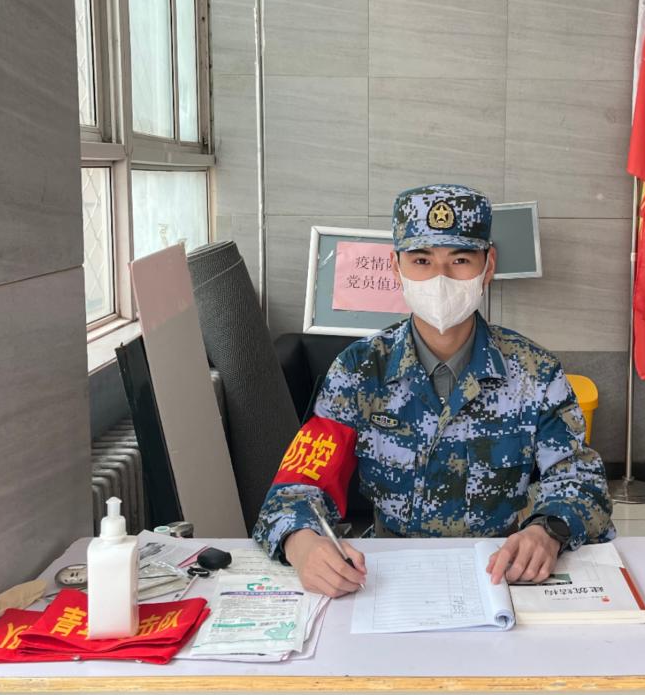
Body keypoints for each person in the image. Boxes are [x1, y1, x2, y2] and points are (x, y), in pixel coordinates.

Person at [253, 185, 614, 597]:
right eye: (421, 261)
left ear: (488, 266)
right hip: (386, 577)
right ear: (396, 267)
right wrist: (302, 545)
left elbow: (580, 478)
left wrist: (547, 531)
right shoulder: (359, 370)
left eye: (460, 260)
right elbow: (299, 482)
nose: (440, 279)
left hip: (501, 570)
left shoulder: (535, 371)